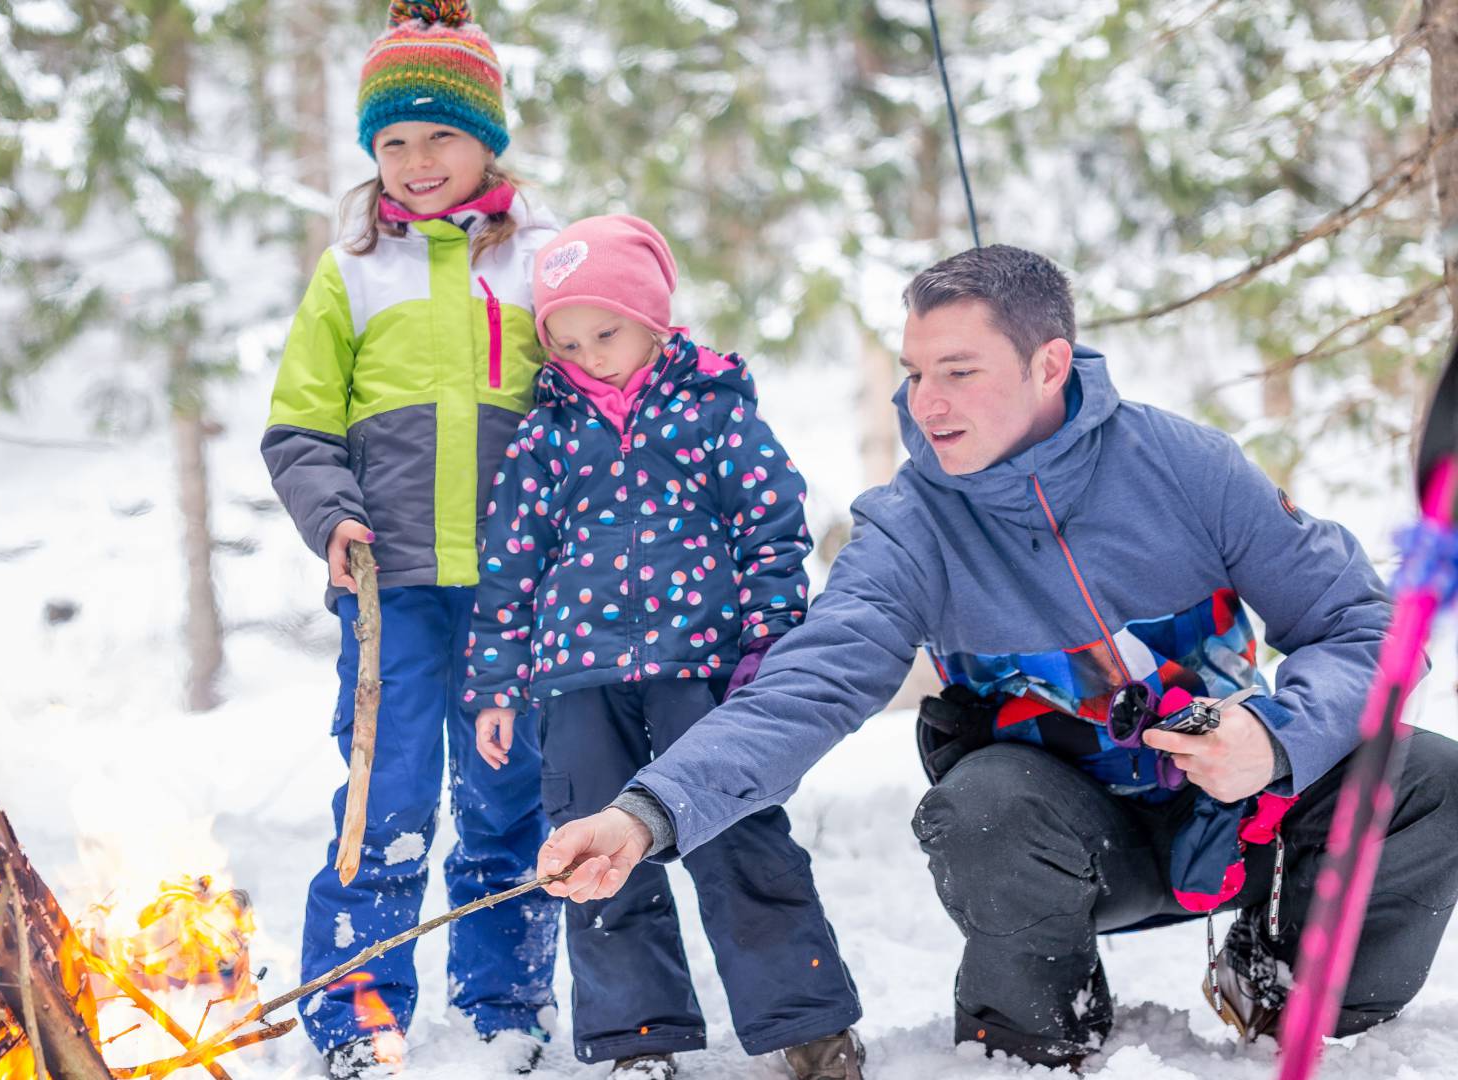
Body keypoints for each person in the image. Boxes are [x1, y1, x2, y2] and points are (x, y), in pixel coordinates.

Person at [532, 244, 1458, 1069]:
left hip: (1236, 808)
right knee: (980, 808)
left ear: (1048, 363)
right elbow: (805, 688)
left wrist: (1274, 733)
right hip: (1061, 834)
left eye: (960, 371)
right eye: (914, 372)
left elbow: (1362, 625)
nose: (925, 403)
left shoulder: (1188, 468)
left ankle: (1289, 986)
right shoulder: (909, 528)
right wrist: (647, 813)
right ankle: (1034, 1032)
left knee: (1427, 776)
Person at [463, 215, 866, 1080]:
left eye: (606, 332)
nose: (590, 354)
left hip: (702, 666)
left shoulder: (715, 413)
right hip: (578, 679)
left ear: (653, 318)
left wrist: (769, 639)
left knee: (741, 837)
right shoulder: (546, 436)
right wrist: (497, 683)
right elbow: (509, 567)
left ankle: (807, 1023)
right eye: (567, 341)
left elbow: (772, 529)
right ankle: (638, 1040)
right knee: (592, 856)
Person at [260, 1, 560, 1074]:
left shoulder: (542, 263)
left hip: (518, 594)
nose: (416, 161)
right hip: (391, 590)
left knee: (507, 795)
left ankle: (507, 1005)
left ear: (488, 138)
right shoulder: (352, 271)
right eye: (392, 142)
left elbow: (587, 399)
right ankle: (356, 1017)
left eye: (439, 135)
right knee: (382, 800)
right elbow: (299, 425)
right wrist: (332, 513)